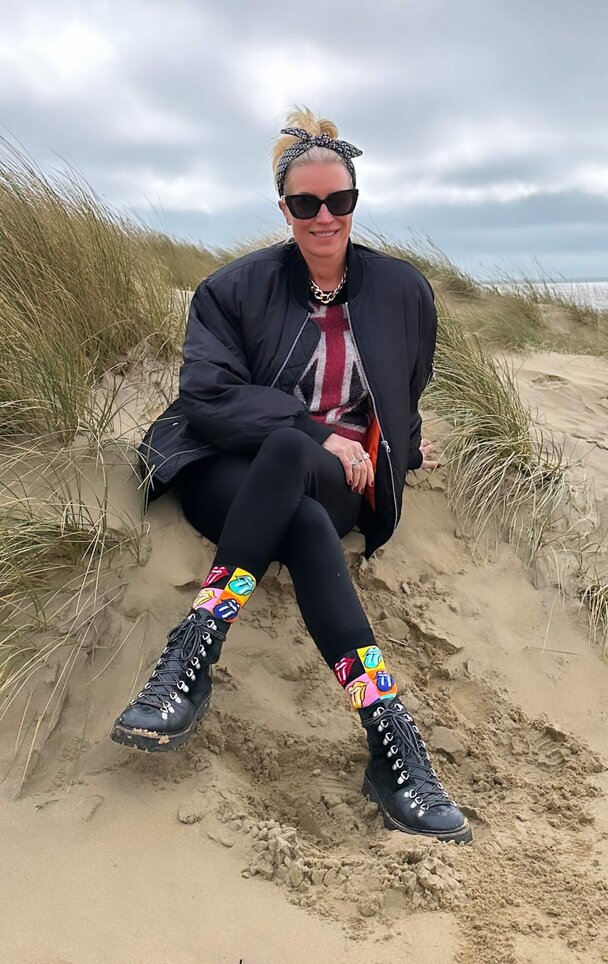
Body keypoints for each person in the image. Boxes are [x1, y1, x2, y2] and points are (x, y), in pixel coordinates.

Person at [110, 106, 472, 845]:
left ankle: (197, 644)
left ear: (355, 203)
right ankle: (387, 728)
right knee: (293, 488)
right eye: (306, 204)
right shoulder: (233, 288)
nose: (323, 216)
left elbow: (406, 389)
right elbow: (206, 397)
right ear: (284, 210)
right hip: (225, 468)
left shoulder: (404, 291)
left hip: (335, 480)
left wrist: (403, 449)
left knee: (298, 480)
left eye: (339, 200)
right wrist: (315, 434)